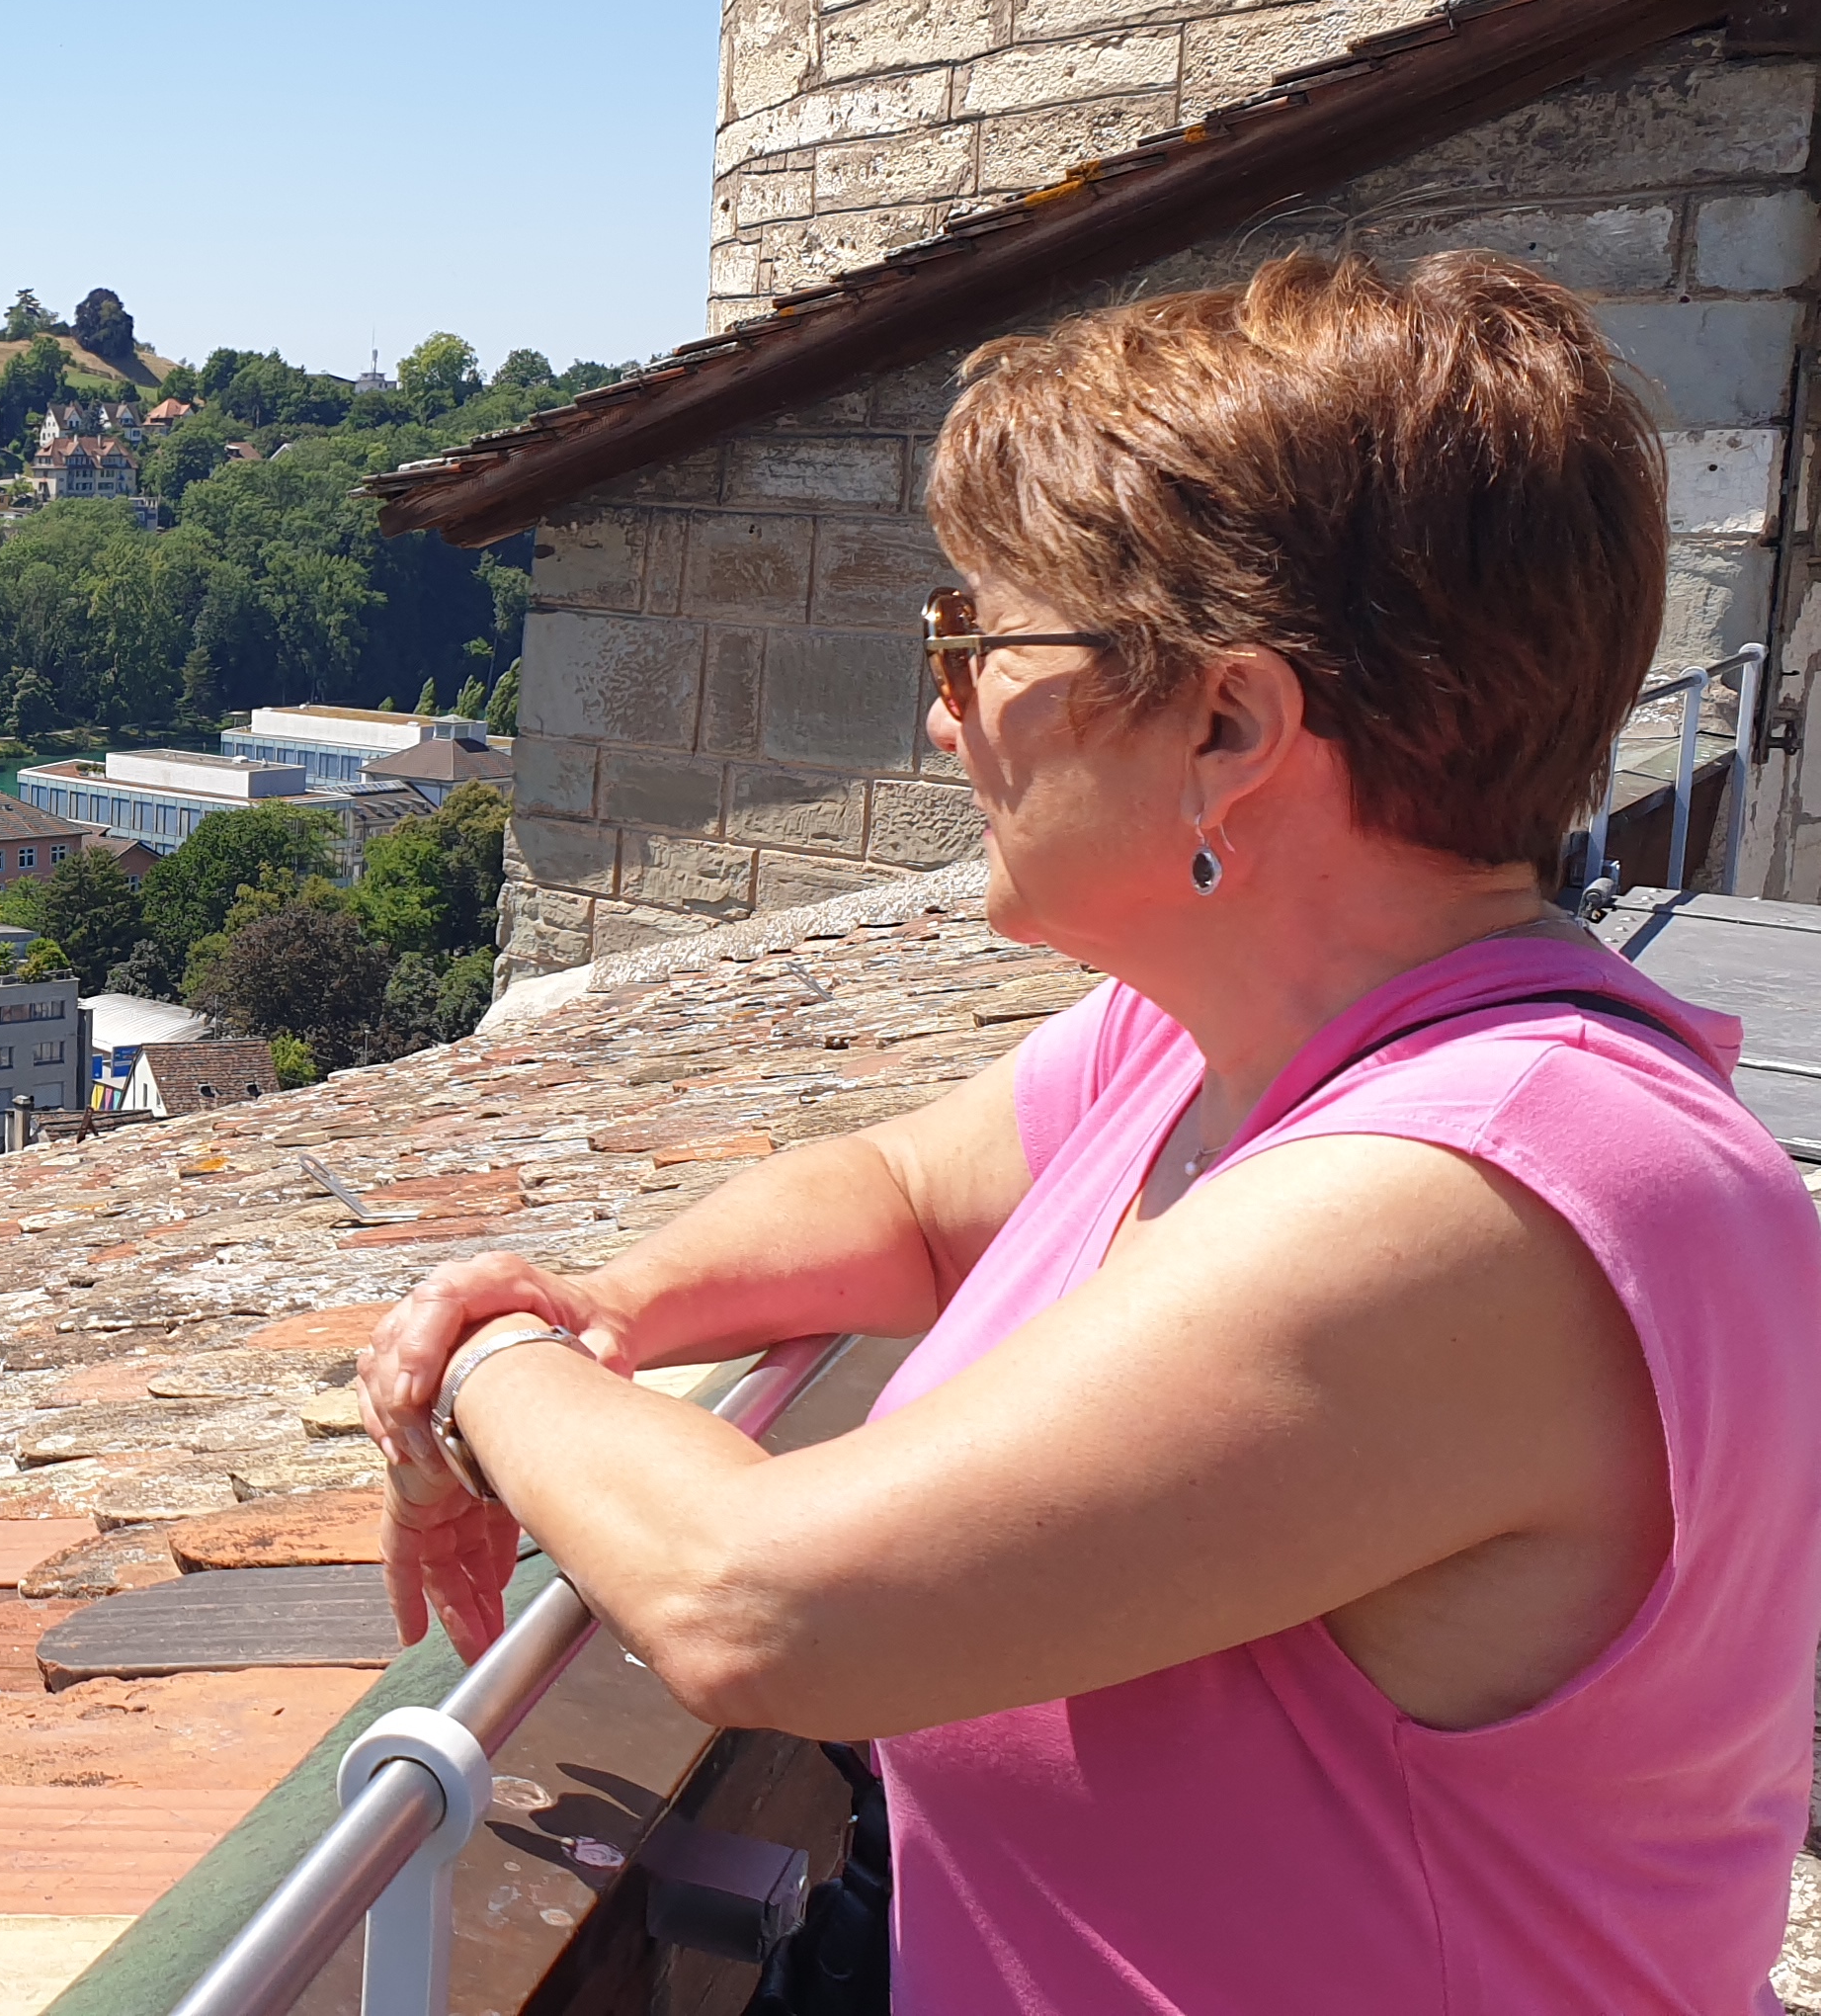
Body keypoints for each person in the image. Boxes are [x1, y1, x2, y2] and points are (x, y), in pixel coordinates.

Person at [361, 253, 1821, 2013]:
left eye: (977, 641)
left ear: (1228, 723)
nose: (943, 709)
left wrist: (486, 1366)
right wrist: (612, 1309)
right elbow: (906, 1195)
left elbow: (762, 1605)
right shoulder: (1229, 1043)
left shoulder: (1491, 1188)